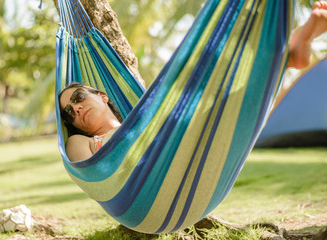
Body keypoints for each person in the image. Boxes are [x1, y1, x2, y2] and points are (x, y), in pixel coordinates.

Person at [59, 1, 327, 162]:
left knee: (219, 88)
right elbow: (96, 173)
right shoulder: (79, 143)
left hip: (182, 140)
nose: (76, 108)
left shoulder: (139, 114)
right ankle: (289, 53)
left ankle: (287, 53)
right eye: (69, 112)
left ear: (103, 96)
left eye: (79, 97)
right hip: (154, 167)